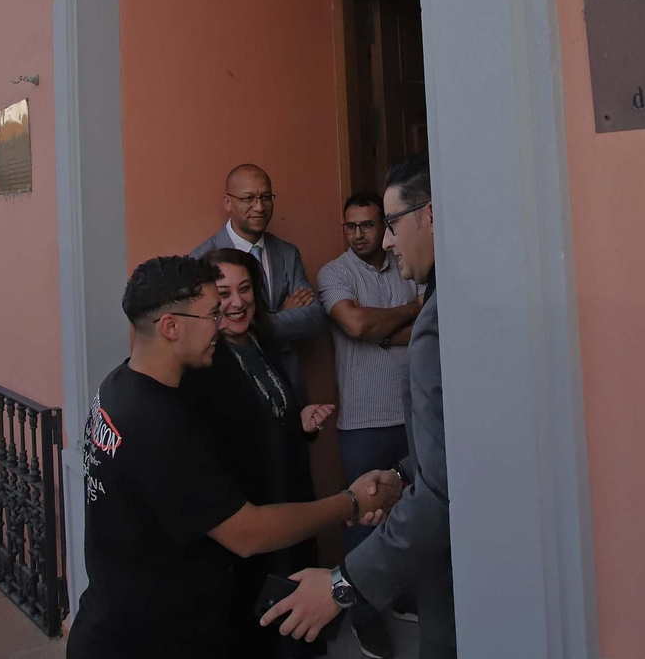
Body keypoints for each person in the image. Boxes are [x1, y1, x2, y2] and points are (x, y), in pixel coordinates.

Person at [66, 255, 402, 659]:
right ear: (171, 327)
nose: (221, 322)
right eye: (211, 313)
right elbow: (247, 534)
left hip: (126, 623)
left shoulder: (120, 385)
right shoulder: (156, 421)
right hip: (148, 640)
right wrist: (349, 502)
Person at [263, 155, 457, 658]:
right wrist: (400, 474)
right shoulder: (343, 275)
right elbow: (358, 327)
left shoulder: (443, 311)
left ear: (431, 215)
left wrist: (340, 586)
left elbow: (443, 490)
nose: (388, 241)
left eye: (390, 225)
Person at [182, 248, 335, 657]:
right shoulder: (205, 362)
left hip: (289, 513)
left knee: (298, 627)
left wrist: (297, 423)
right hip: (248, 528)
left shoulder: (260, 340)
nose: (237, 301)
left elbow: (267, 413)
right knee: (260, 635)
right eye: (224, 292)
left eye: (245, 288)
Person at [315, 192, 422, 658]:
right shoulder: (335, 273)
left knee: (414, 513)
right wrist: (412, 312)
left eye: (369, 225)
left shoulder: (405, 262)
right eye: (351, 226)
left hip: (413, 415)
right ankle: (361, 612)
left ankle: (400, 596)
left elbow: (421, 329)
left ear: (385, 226)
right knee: (362, 518)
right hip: (362, 421)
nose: (359, 234)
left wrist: (387, 331)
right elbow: (356, 325)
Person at [192, 163, 328, 391]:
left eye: (266, 197)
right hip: (232, 386)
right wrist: (282, 316)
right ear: (228, 202)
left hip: (288, 387)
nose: (259, 207)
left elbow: (313, 318)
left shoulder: (287, 254)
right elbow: (203, 327)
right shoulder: (202, 258)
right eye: (248, 198)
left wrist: (240, 322)